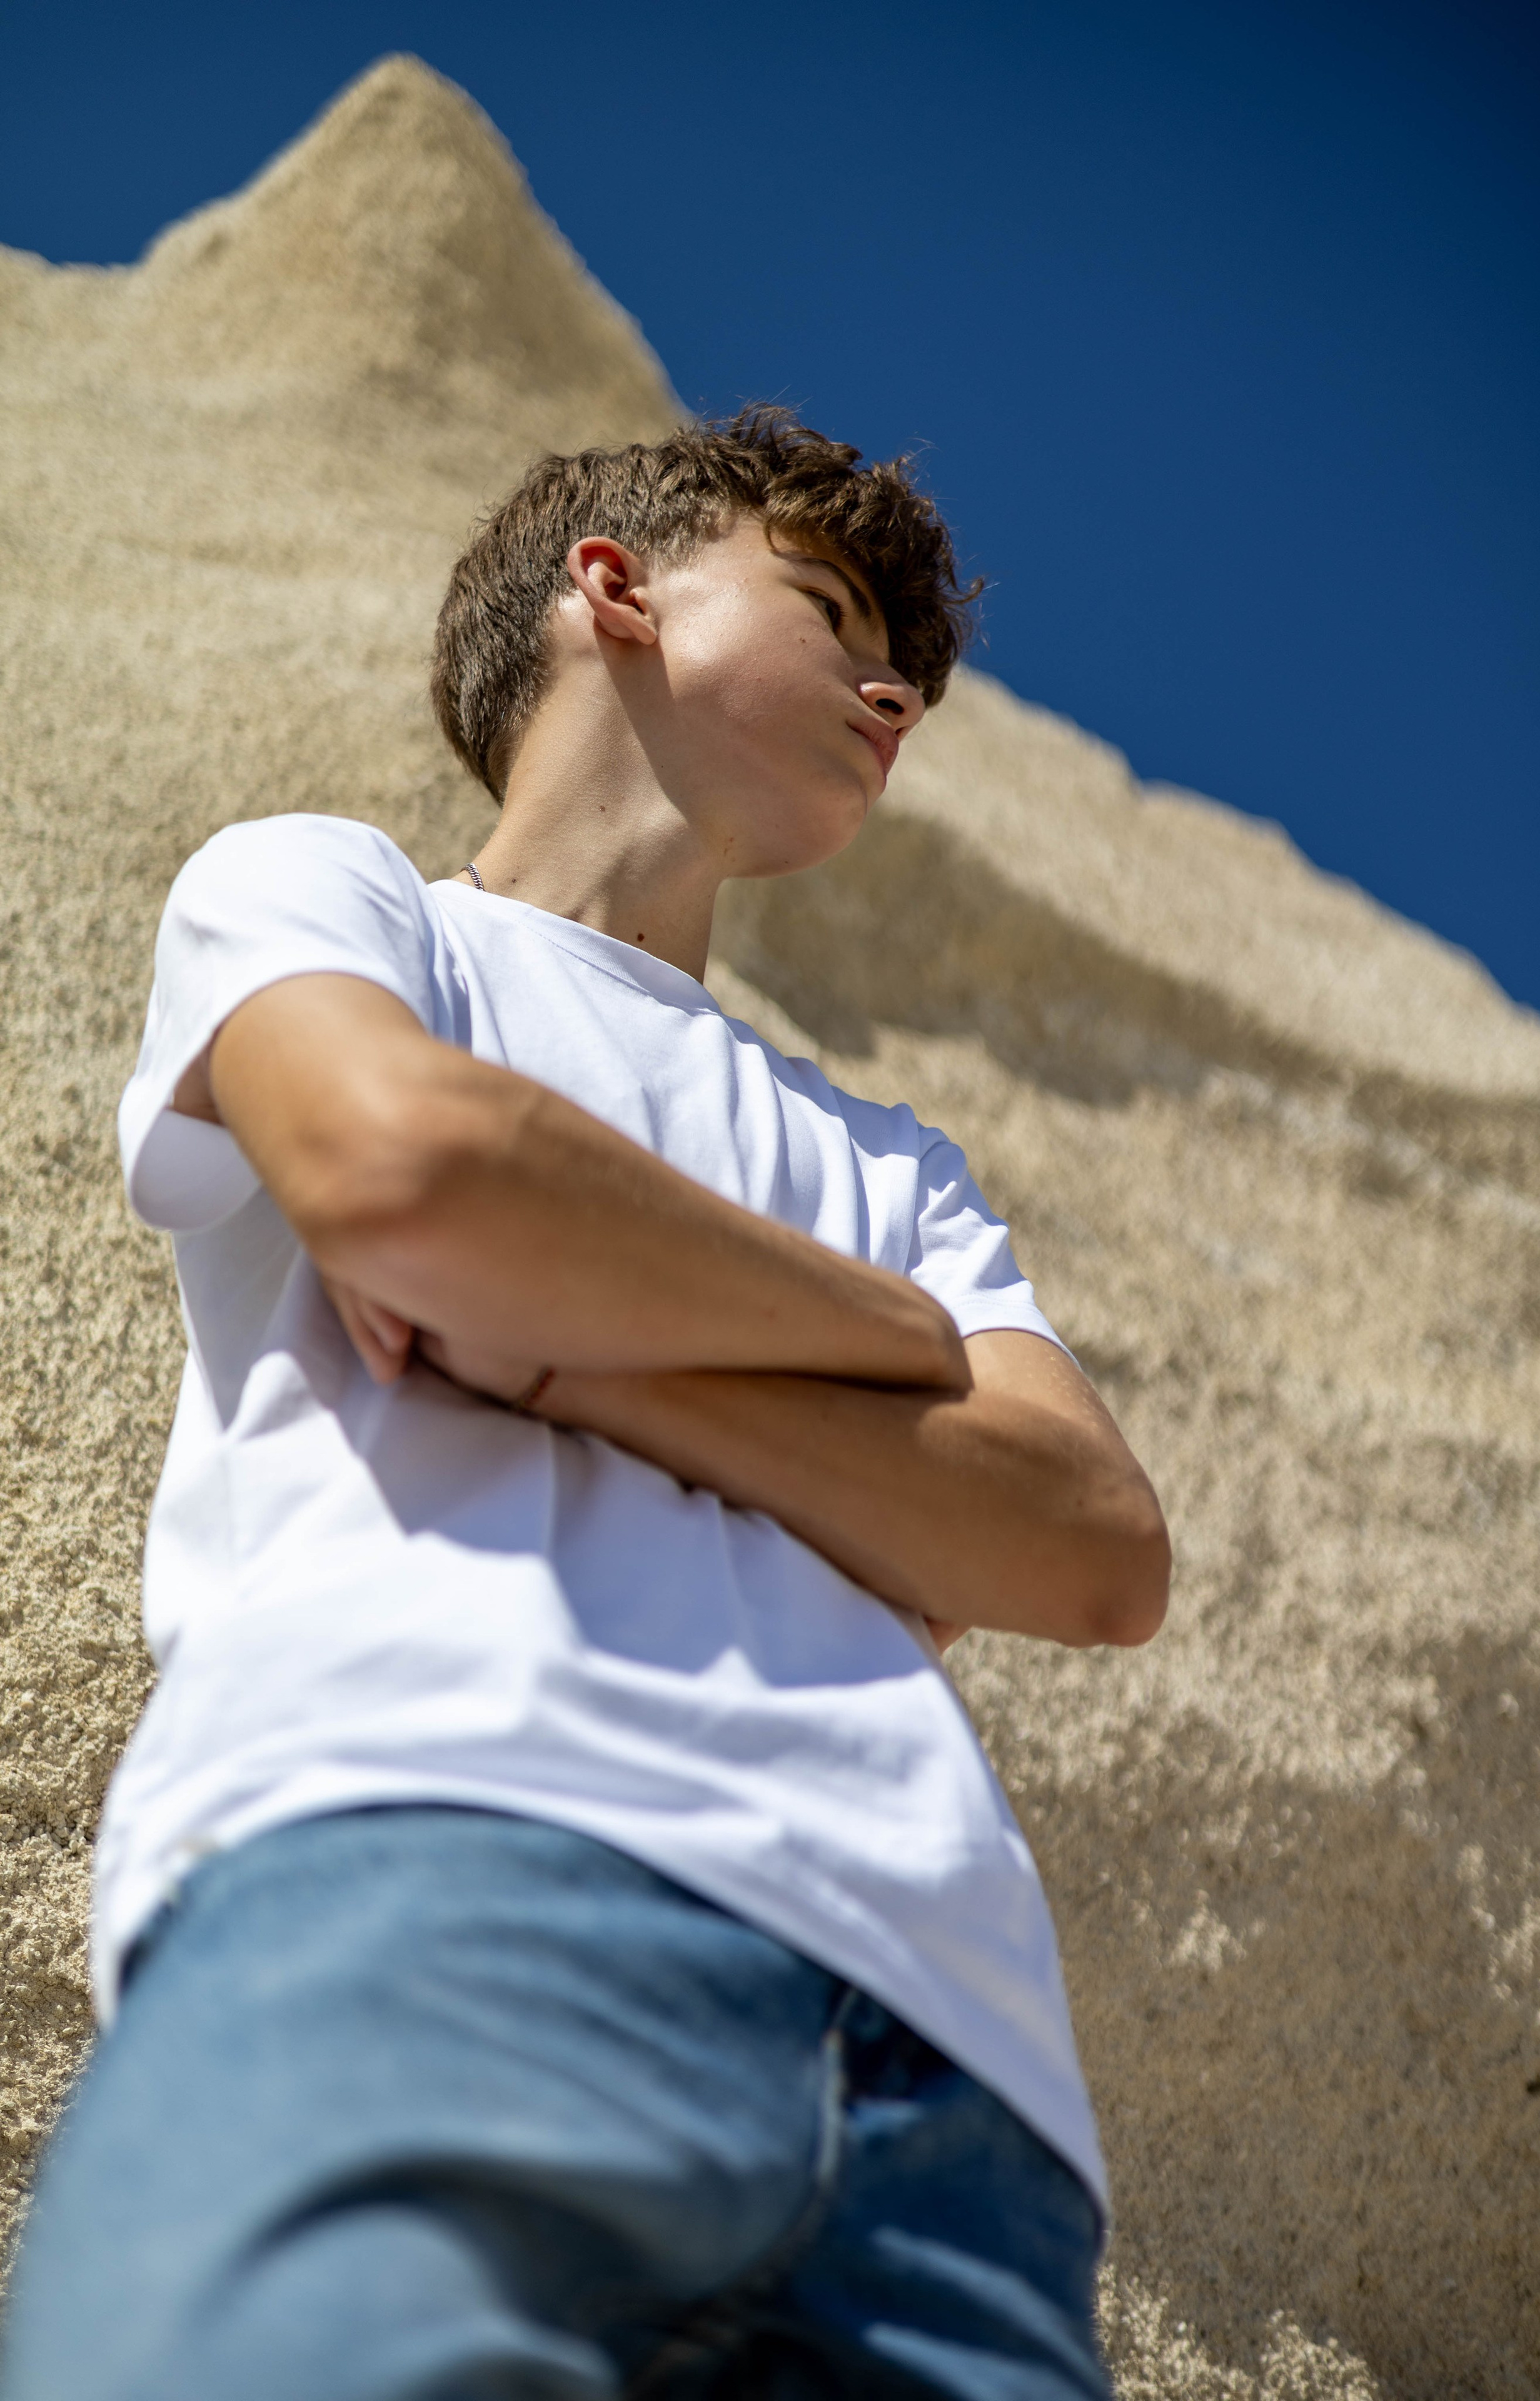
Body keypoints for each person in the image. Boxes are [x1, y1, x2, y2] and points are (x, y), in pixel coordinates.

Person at [1, 408, 1169, 2400]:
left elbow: (1086, 1545)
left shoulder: (888, 1152)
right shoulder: (335, 897)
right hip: (429, 1868)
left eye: (913, 666)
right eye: (830, 609)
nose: (898, 688)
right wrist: (878, 1350)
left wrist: (570, 1346)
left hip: (946, 2078)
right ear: (611, 592)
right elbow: (406, 1172)